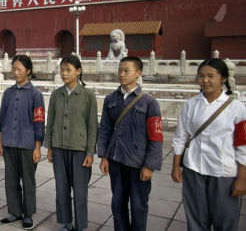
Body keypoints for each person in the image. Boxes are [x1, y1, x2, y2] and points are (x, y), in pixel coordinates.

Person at [171, 58, 246, 231]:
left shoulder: (237, 108)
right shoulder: (190, 105)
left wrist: (242, 178)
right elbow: (180, 137)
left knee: (225, 221)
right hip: (193, 169)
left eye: (211, 76)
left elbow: (243, 145)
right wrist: (176, 167)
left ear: (223, 79)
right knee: (196, 221)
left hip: (223, 173)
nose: (205, 80)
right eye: (201, 76)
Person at [97, 56, 163, 231]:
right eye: (120, 70)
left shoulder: (149, 102)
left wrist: (150, 165)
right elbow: (104, 130)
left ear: (138, 73)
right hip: (116, 160)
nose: (122, 74)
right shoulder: (111, 99)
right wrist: (104, 156)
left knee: (138, 205)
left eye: (127, 70)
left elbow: (156, 137)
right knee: (117, 203)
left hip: (138, 163)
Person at [45, 55, 98, 231]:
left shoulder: (88, 96)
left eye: (68, 70)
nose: (64, 73)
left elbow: (92, 126)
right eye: (62, 70)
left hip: (79, 150)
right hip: (59, 148)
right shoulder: (56, 94)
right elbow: (50, 122)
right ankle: (66, 223)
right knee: (62, 189)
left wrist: (90, 152)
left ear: (78, 72)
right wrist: (50, 146)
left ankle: (80, 225)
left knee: (80, 191)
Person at [0, 55, 45, 230]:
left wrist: (37, 147)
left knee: (28, 181)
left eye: (19, 69)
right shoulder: (8, 93)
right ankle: (14, 212)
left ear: (28, 71)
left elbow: (39, 122)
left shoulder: (36, 94)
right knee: (11, 180)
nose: (15, 72)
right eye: (13, 69)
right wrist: (1, 141)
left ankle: (28, 214)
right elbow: (2, 119)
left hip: (27, 145)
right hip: (9, 142)